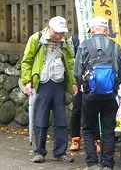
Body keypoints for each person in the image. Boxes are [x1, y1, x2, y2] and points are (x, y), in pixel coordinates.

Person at [21, 16, 78, 163]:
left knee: (61, 119)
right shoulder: (36, 39)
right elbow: (26, 61)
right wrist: (27, 82)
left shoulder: (65, 43)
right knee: (40, 118)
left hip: (59, 82)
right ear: (49, 28)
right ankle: (39, 152)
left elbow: (71, 63)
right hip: (42, 83)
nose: (59, 36)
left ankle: (60, 152)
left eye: (62, 33)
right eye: (57, 33)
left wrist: (73, 82)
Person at [74, 16, 121, 170]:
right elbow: (120, 71)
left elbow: (77, 72)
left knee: (88, 128)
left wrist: (82, 85)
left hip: (90, 94)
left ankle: (92, 163)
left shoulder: (84, 46)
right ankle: (108, 165)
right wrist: (114, 86)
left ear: (91, 30)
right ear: (106, 30)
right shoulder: (114, 46)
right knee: (109, 129)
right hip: (110, 95)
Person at [68, 34, 101, 153]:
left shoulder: (99, 41)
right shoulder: (74, 39)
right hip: (79, 81)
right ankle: (75, 138)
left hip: (94, 81)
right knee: (77, 110)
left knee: (95, 111)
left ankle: (97, 139)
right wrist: (75, 80)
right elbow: (71, 59)